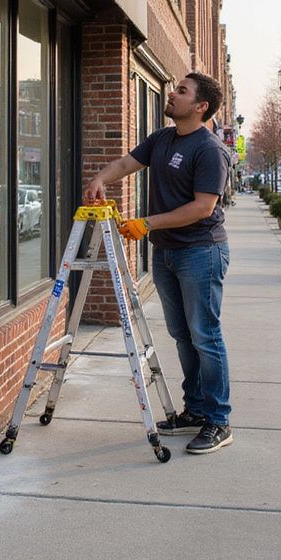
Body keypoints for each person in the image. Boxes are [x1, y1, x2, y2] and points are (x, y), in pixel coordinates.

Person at [84, 72, 232, 455]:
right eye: (175, 87)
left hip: (201, 251)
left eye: (182, 91)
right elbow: (125, 164)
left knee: (205, 335)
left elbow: (203, 207)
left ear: (200, 107)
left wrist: (146, 223)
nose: (172, 93)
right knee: (183, 335)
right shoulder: (162, 139)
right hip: (166, 253)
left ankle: (219, 420)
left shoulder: (209, 149)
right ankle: (196, 410)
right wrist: (101, 177)